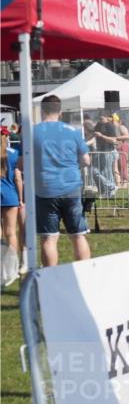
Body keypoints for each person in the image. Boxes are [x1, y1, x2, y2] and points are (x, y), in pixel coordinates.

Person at [33, 96, 91, 267]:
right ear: (60, 111)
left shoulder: (33, 131)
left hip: (45, 188)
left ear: (42, 110)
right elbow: (86, 160)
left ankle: (51, 277)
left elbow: (22, 163)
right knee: (78, 235)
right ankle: (85, 274)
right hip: (71, 187)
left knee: (49, 237)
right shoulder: (73, 131)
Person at [1, 132, 24, 285]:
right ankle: (12, 268)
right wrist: (21, 198)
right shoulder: (14, 153)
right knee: (11, 233)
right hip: (10, 196)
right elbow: (17, 178)